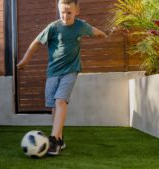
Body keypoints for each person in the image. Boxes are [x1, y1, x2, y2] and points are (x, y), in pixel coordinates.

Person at [17, 0, 108, 155]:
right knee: (53, 106)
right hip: (52, 72)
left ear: (77, 10)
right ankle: (59, 138)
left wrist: (103, 35)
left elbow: (96, 31)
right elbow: (36, 43)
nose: (65, 16)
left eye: (69, 13)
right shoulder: (53, 27)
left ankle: (53, 140)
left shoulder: (80, 26)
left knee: (60, 101)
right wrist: (25, 60)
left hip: (71, 70)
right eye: (62, 13)